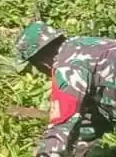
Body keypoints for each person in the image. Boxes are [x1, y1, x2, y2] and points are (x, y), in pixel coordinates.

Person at [15, 21, 116, 157]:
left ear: (41, 61)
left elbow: (61, 125)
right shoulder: (88, 45)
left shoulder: (66, 67)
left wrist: (47, 153)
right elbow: (92, 115)